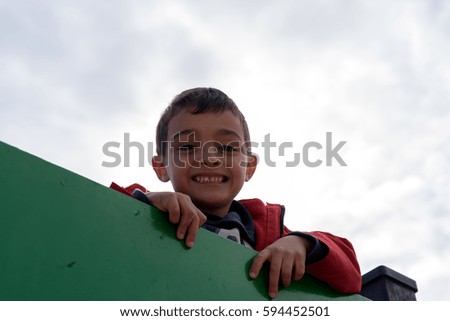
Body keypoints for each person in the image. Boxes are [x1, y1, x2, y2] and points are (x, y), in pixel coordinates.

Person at [111, 87, 361, 298]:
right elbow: (97, 223)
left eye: (227, 148)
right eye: (187, 146)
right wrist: (149, 204)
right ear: (162, 166)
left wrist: (302, 243)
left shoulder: (266, 234)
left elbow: (351, 276)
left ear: (249, 166)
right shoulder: (148, 212)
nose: (209, 158)